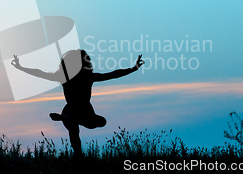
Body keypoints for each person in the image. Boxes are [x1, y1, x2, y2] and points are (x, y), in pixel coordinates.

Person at [11, 49, 144, 156]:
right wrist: (21, 67)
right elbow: (41, 73)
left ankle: (66, 120)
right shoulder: (69, 77)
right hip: (72, 110)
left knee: (100, 122)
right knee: (74, 131)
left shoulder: (86, 77)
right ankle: (78, 154)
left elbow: (113, 74)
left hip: (83, 111)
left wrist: (133, 68)